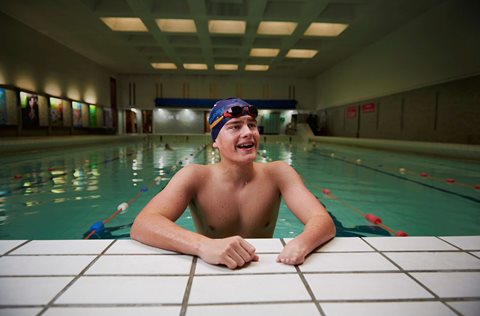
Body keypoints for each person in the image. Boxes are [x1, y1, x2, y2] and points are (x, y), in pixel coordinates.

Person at [130, 98, 335, 269]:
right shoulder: (194, 176)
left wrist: (303, 242)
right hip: (212, 272)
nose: (248, 132)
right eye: (235, 127)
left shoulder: (279, 173)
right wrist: (204, 246)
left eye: (252, 125)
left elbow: (322, 219)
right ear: (215, 141)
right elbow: (143, 223)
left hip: (265, 268)